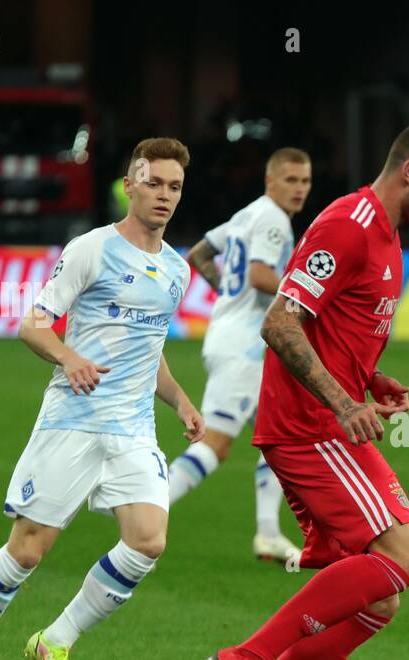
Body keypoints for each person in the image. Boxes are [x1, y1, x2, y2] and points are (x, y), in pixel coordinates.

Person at [200, 114, 409, 660]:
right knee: (406, 555)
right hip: (308, 428)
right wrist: (343, 400)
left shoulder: (384, 238)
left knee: (377, 599)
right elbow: (281, 321)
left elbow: (328, 329)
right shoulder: (348, 227)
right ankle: (248, 658)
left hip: (326, 420)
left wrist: (368, 380)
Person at [0, 137, 204, 660]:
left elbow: (148, 346)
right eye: (153, 182)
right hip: (72, 421)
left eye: (174, 187)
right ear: (130, 184)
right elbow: (33, 324)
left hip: (133, 430)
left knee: (148, 541)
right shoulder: (90, 249)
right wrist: (69, 356)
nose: (163, 195)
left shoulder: (177, 271)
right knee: (28, 551)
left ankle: (55, 641)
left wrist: (179, 399)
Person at [167, 148, 313, 564]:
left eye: (305, 181)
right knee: (216, 444)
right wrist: (308, 295)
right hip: (247, 347)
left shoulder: (248, 214)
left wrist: (228, 297)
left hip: (229, 336)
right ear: (270, 181)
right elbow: (261, 275)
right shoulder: (272, 219)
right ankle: (149, 509)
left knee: (284, 437)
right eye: (291, 180)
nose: (299, 189)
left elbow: (198, 254)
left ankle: (268, 533)